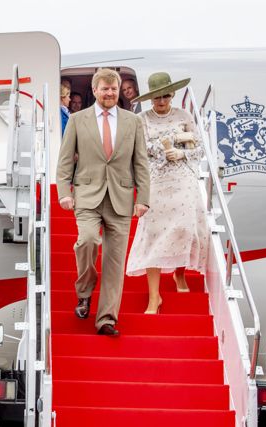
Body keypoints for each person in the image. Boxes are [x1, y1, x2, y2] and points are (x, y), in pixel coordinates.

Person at [56, 68, 150, 337]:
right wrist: (65, 190)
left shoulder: (133, 122)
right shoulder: (77, 120)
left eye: (114, 89)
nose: (110, 93)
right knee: (87, 240)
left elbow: (140, 163)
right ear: (94, 91)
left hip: (121, 197)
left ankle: (106, 319)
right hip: (87, 195)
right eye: (104, 88)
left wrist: (142, 198)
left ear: (118, 91)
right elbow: (65, 160)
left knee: (114, 262)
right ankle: (84, 292)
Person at [125, 72, 209, 314]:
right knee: (153, 233)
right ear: (150, 98)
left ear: (172, 95)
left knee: (184, 227)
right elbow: (138, 149)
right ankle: (154, 298)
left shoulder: (184, 115)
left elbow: (200, 148)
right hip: (155, 178)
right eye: (156, 97)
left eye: (165, 96)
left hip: (183, 176)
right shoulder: (140, 119)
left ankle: (179, 274)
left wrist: (182, 153)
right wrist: (166, 146)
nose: (161, 101)